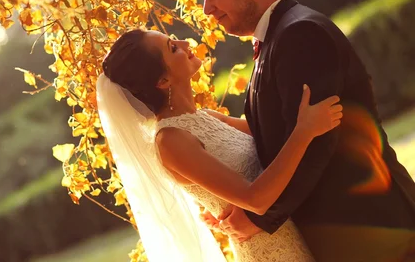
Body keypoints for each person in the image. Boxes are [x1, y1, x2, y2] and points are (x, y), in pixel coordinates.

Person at [182, 0, 415, 261]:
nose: (207, 9)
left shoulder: (300, 34)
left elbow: (318, 142)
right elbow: (275, 131)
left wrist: (258, 217)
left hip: (375, 228)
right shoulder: (275, 40)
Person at [97, 28, 342, 261]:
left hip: (296, 232)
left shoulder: (205, 117)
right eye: (173, 48)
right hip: (272, 251)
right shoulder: (170, 140)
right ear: (163, 80)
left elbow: (273, 137)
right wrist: (304, 132)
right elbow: (255, 199)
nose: (185, 43)